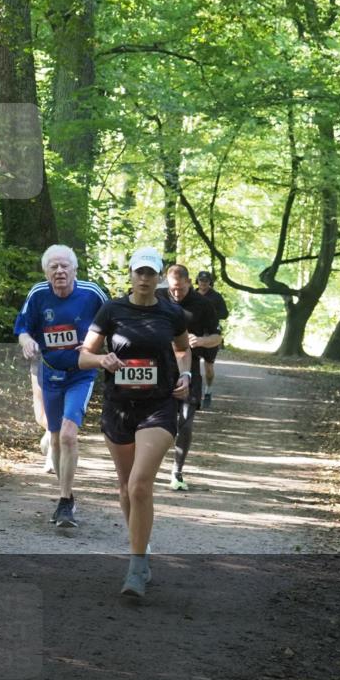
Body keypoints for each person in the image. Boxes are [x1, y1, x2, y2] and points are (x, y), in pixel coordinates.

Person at [79, 247, 191, 597]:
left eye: (150, 273)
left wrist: (186, 375)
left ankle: (137, 566)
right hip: (119, 407)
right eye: (138, 272)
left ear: (159, 277)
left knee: (141, 484)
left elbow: (183, 350)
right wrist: (102, 361)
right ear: (130, 274)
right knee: (126, 486)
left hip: (159, 406)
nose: (144, 278)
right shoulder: (111, 310)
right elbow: (83, 356)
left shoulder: (172, 314)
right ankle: (139, 551)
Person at [15, 246, 108, 528]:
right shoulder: (38, 294)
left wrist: (99, 346)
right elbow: (22, 328)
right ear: (46, 272)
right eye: (53, 267)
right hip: (50, 372)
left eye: (65, 266)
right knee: (54, 435)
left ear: (75, 270)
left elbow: (116, 324)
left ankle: (65, 502)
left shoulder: (93, 294)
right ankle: (64, 492)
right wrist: (27, 341)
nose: (60, 271)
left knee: (68, 434)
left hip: (81, 372)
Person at [158, 265, 222, 491]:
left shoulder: (203, 304)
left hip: (189, 367)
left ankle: (177, 471)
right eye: (172, 289)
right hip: (158, 367)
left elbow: (217, 337)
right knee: (154, 419)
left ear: (188, 283)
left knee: (185, 421)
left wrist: (201, 341)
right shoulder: (156, 297)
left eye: (181, 289)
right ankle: (146, 464)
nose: (176, 294)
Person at [195, 271, 229, 408]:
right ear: (197, 281)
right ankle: (194, 395)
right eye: (201, 280)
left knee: (208, 368)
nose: (203, 283)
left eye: (206, 280)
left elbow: (225, 314)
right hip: (195, 334)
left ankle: (208, 391)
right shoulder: (191, 294)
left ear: (210, 282)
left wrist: (210, 314)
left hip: (210, 334)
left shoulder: (216, 297)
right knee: (192, 366)